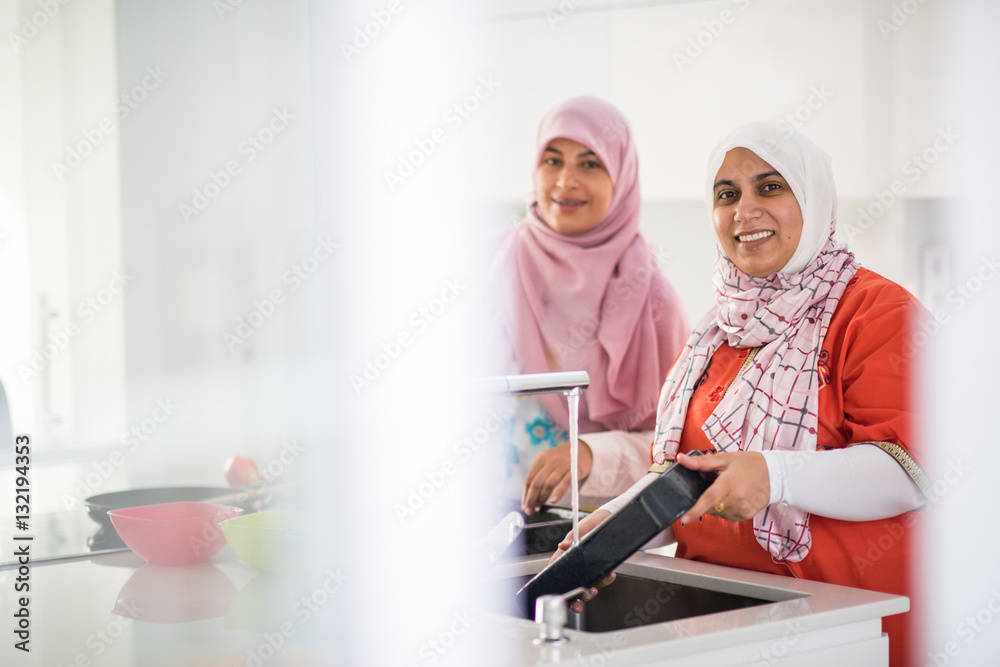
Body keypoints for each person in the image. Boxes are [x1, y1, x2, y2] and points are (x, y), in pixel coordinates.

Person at [555, 122, 929, 667]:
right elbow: (683, 479)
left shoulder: (878, 313)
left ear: (814, 199)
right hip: (718, 624)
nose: (743, 210)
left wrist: (775, 475)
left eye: (770, 187)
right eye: (726, 194)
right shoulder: (716, 332)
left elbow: (909, 473)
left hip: (840, 627)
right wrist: (615, 526)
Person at [490, 96, 689, 513]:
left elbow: (681, 452)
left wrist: (593, 453)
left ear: (621, 177)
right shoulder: (488, 265)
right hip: (472, 521)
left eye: (589, 164)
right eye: (553, 161)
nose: (565, 181)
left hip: (590, 530)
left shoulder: (653, 302)